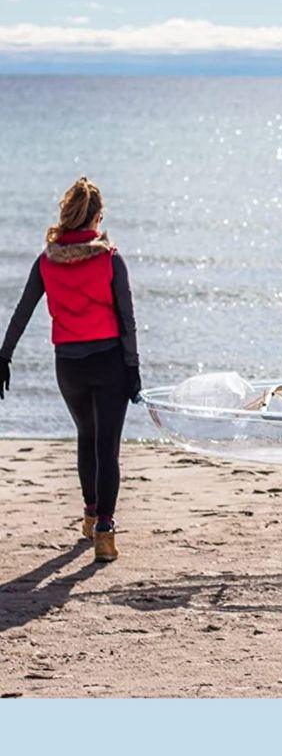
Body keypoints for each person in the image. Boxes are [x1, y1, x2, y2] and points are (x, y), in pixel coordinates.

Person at [0, 178, 141, 563]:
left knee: (86, 436)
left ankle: (90, 514)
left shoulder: (46, 260)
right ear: (97, 217)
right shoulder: (111, 259)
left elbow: (22, 311)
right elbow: (127, 320)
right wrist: (133, 369)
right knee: (106, 448)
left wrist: (4, 356)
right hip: (109, 362)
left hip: (69, 367)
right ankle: (105, 533)